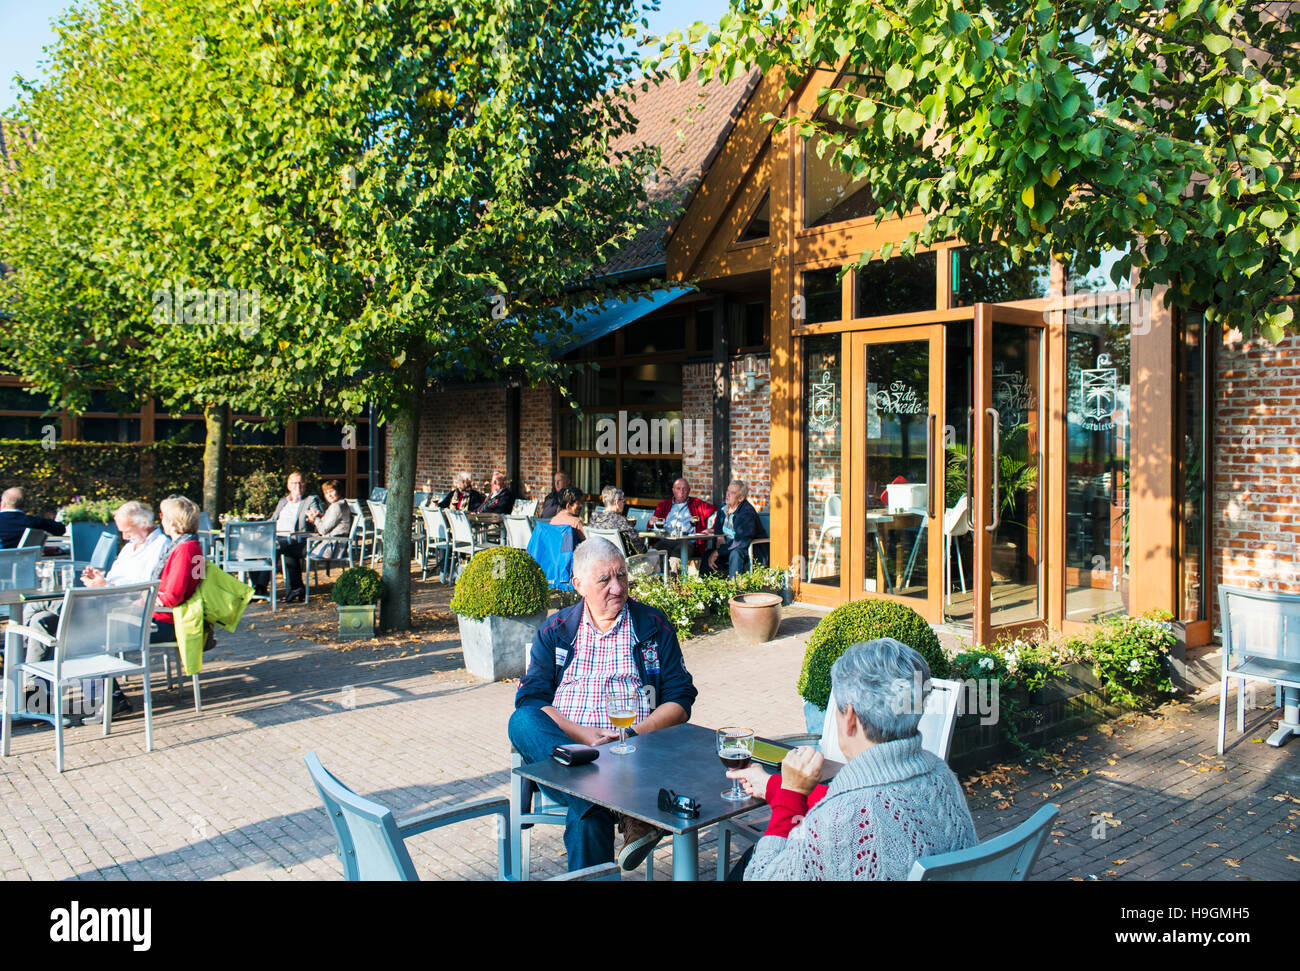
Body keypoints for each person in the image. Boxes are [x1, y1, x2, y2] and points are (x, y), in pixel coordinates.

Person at [509, 537, 698, 872]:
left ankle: (597, 797)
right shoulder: (555, 631)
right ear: (578, 584)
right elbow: (532, 698)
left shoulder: (652, 626)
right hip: (569, 753)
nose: (617, 587)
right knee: (522, 721)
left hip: (636, 757)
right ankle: (615, 806)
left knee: (585, 811)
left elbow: (681, 698)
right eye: (604, 580)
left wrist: (634, 735)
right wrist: (585, 737)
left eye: (622, 576)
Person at [725, 638, 978, 880]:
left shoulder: (841, 821)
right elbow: (873, 807)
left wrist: (790, 795)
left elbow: (760, 875)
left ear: (850, 718)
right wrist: (775, 786)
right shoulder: (941, 778)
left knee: (751, 858)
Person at [251, 471, 323, 603]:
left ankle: (260, 588)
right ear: (288, 486)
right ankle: (295, 587)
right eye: (294, 483)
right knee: (253, 546)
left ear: (305, 485)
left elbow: (318, 513)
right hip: (278, 537)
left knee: (277, 548)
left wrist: (314, 516)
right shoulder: (283, 501)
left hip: (299, 539)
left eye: (301, 483)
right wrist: (260, 528)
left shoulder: (310, 500)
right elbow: (272, 519)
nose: (298, 486)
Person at [150, 496, 205, 651]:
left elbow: (173, 597)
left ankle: (102, 675)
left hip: (167, 622)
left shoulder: (184, 549)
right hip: (173, 618)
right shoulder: (193, 545)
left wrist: (147, 598)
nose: (159, 520)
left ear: (171, 522)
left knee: (102, 630)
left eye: (161, 515)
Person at [81, 501, 167, 587]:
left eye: (128, 531)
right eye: (122, 532)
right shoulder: (131, 545)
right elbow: (115, 577)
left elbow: (145, 586)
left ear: (144, 524)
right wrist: (97, 580)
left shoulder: (160, 545)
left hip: (126, 597)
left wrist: (105, 586)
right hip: (111, 594)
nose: (124, 537)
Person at [650, 476, 716, 574]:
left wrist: (712, 529)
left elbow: (719, 512)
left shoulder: (697, 504)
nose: (681, 492)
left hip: (686, 543)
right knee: (652, 555)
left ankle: (673, 586)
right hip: (666, 540)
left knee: (675, 559)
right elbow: (653, 524)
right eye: (678, 489)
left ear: (689, 491)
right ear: (673, 490)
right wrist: (651, 522)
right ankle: (658, 583)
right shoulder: (663, 505)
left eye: (684, 489)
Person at [705, 480, 767, 579]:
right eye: (727, 491)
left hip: (749, 548)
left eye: (732, 493)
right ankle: (705, 587)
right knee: (708, 554)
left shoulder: (747, 513)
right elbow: (717, 526)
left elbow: (741, 541)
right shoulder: (723, 507)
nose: (728, 495)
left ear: (741, 498)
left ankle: (734, 587)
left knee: (735, 553)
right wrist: (720, 536)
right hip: (730, 545)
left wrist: (719, 552)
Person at [0, 487, 66, 549]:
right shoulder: (34, 522)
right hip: (26, 560)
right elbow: (60, 529)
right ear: (24, 505)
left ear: (3, 503)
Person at [588, 485, 645, 555]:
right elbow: (641, 549)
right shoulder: (621, 521)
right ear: (617, 502)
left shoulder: (594, 518)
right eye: (623, 501)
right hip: (621, 562)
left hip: (599, 559)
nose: (624, 504)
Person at [307, 480, 353, 560]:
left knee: (300, 549)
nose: (329, 495)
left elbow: (323, 530)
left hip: (333, 546)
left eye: (331, 491)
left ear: (338, 491)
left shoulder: (336, 506)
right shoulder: (341, 503)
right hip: (336, 542)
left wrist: (314, 518)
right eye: (326, 493)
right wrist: (319, 516)